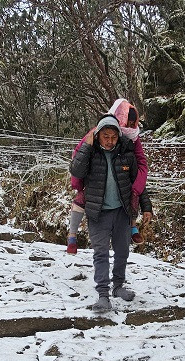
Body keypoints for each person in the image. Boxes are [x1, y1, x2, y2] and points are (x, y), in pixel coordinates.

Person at [69, 114, 152, 312]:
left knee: (122, 251)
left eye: (113, 137)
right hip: (98, 212)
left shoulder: (126, 154)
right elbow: (76, 171)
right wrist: (87, 146)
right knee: (101, 253)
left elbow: (138, 183)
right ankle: (103, 294)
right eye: (105, 136)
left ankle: (118, 286)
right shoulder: (91, 153)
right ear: (98, 135)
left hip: (122, 212)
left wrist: (146, 206)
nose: (109, 141)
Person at [67, 98, 150, 254]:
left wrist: (138, 189)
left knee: (130, 193)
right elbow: (78, 157)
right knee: (80, 201)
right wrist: (78, 185)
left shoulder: (132, 139)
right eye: (128, 122)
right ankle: (72, 235)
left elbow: (140, 165)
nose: (131, 127)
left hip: (120, 188)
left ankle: (132, 226)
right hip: (92, 185)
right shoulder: (97, 134)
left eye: (134, 124)